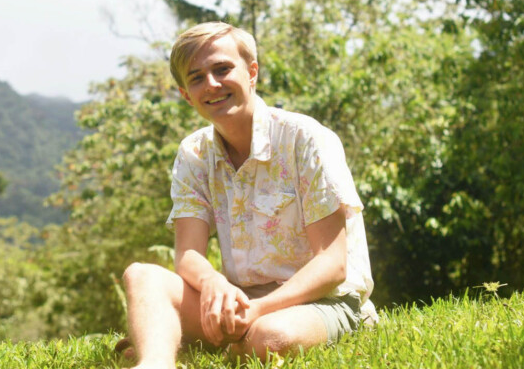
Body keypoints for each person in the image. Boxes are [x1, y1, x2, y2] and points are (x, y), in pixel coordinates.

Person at [121, 22, 376, 369]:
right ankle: (154, 362)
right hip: (241, 302)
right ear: (185, 94)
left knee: (269, 337)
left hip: (325, 300)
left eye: (222, 69)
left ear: (252, 72)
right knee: (141, 275)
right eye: (196, 78)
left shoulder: (305, 138)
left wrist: (255, 311)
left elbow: (333, 265)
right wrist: (213, 282)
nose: (211, 84)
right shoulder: (193, 153)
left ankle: (198, 339)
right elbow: (188, 255)